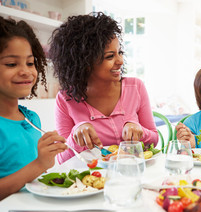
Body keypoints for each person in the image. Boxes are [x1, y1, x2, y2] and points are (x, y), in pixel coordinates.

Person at [48, 12, 158, 163]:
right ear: (84, 63)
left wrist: (140, 131)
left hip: (133, 173)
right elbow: (61, 160)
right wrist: (75, 137)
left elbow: (154, 140)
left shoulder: (136, 87)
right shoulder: (65, 99)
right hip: (93, 181)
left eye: (120, 52)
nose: (120, 61)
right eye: (110, 56)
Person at [0, 17, 67, 200]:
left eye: (30, 63)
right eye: (11, 64)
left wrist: (47, 160)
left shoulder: (31, 118)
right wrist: (39, 164)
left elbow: (33, 178)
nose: (25, 71)